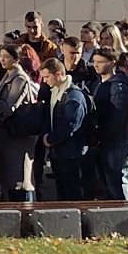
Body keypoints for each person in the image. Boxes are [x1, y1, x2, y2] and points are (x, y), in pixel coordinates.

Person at [88, 49, 128, 201]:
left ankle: (121, 216)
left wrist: (101, 136)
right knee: (104, 182)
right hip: (100, 139)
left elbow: (117, 116)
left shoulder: (119, 85)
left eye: (100, 62)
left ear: (112, 63)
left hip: (114, 140)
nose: (96, 65)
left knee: (113, 182)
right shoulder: (97, 83)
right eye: (94, 61)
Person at [0, 45, 40, 202]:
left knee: (21, 176)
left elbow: (10, 105)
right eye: (1, 56)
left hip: (19, 132)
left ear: (16, 58)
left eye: (6, 57)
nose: (2, 60)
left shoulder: (19, 78)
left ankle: (27, 210)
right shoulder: (7, 75)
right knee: (11, 176)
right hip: (8, 134)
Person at [40, 58, 89, 201]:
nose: (44, 81)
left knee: (71, 190)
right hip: (58, 151)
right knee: (62, 190)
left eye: (47, 77)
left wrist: (50, 138)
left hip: (70, 151)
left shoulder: (74, 96)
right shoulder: (55, 91)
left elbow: (71, 125)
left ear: (58, 74)